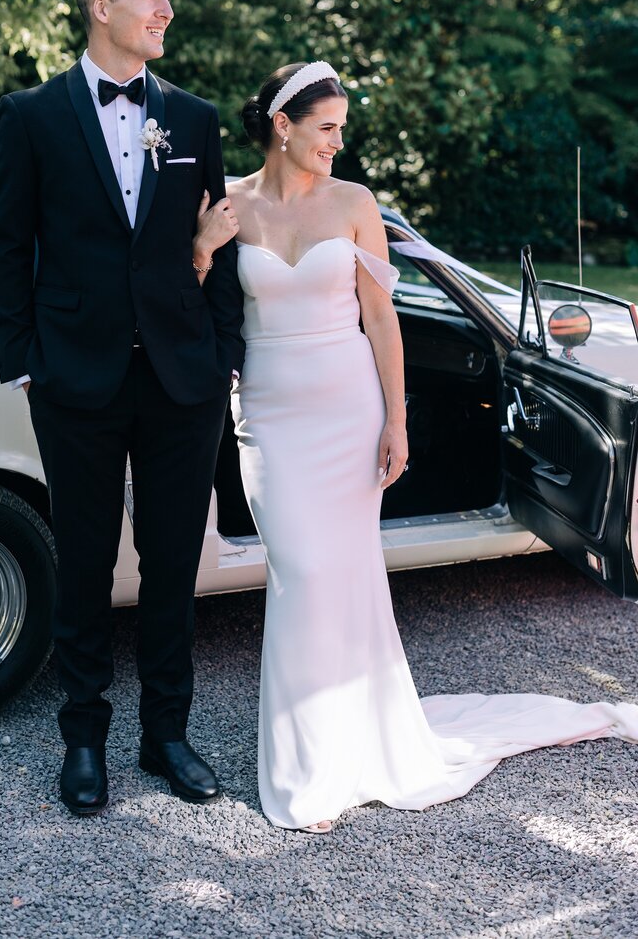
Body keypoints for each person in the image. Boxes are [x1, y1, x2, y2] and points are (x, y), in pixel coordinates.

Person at [215, 60, 638, 833]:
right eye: (326, 128)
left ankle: (323, 758)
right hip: (268, 415)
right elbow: (194, 296)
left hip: (346, 408)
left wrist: (396, 421)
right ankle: (311, 753)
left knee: (335, 573)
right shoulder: (229, 204)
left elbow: (382, 318)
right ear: (282, 126)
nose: (337, 143)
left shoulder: (355, 203)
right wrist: (201, 247)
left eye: (341, 128)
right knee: (299, 568)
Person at [0, 0, 244, 817]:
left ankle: (166, 734)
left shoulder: (195, 120)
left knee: (174, 563)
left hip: (182, 378)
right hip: (75, 379)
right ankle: (84, 739)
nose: (166, 9)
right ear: (103, 8)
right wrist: (24, 362)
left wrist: (222, 354)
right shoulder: (31, 116)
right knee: (87, 561)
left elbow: (214, 245)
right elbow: (9, 246)